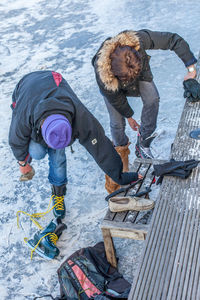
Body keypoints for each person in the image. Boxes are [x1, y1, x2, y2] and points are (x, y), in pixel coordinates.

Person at [9, 70, 146, 219]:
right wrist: (23, 164)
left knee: (58, 156)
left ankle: (58, 193)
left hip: (54, 85)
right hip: (26, 87)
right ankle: (39, 147)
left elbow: (100, 146)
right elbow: (15, 141)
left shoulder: (79, 115)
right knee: (37, 152)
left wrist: (121, 176)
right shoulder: (23, 115)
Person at [92, 29, 197, 192]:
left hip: (139, 76)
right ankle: (122, 157)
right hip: (113, 89)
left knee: (152, 98)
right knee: (117, 122)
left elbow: (172, 39)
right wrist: (129, 116)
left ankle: (144, 140)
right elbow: (117, 100)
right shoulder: (103, 72)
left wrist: (191, 69)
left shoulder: (138, 40)